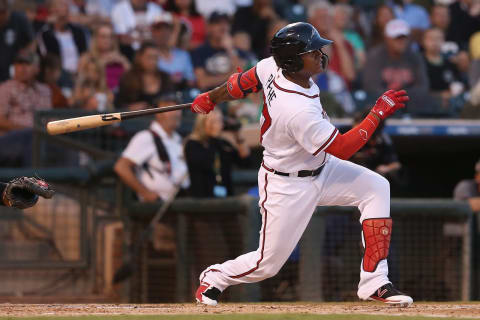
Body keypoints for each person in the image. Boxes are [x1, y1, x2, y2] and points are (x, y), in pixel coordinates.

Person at [190, 22, 412, 307]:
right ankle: (215, 277)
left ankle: (375, 282)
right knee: (266, 264)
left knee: (377, 186)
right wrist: (376, 114)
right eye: (312, 50)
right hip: (287, 183)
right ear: (294, 60)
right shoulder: (295, 109)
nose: (320, 53)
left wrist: (210, 98)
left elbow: (241, 83)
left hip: (321, 166)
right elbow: (343, 148)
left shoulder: (273, 66)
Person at [114, 94, 189, 202]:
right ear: (158, 114)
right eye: (170, 109)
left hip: (182, 198)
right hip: (159, 204)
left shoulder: (178, 139)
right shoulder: (146, 137)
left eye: (177, 108)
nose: (176, 113)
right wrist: (145, 193)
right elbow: (121, 167)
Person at [362, 19, 429, 115]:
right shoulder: (375, 56)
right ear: (387, 38)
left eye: (403, 38)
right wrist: (394, 98)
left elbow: (422, 87)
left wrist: (401, 96)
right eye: (397, 38)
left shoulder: (415, 57)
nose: (401, 42)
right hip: (382, 109)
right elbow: (371, 87)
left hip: (411, 106)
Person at [184, 110, 250, 198]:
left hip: (226, 197)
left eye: (220, 121)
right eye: (213, 121)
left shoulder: (222, 143)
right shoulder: (192, 144)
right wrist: (218, 136)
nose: (218, 125)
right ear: (202, 123)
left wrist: (238, 135)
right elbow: (206, 164)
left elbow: (245, 161)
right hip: (203, 199)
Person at [37, 0, 88, 89]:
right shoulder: (46, 34)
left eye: (65, 9)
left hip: (79, 72)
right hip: (58, 74)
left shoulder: (78, 31)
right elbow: (48, 58)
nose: (63, 16)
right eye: (59, 8)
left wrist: (79, 72)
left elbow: (84, 53)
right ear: (52, 12)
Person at [191, 12, 246, 91]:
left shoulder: (235, 51)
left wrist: (230, 49)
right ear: (209, 27)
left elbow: (243, 76)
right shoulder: (200, 52)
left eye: (226, 23)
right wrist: (230, 76)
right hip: (212, 96)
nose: (223, 27)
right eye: (217, 23)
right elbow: (202, 82)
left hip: (235, 97)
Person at [115, 41, 173, 110]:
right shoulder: (128, 78)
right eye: (149, 57)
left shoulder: (165, 78)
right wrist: (130, 107)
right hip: (134, 118)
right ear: (140, 57)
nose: (153, 62)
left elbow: (171, 101)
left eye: (155, 58)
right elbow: (118, 104)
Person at [78, 22, 130, 93]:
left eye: (110, 37)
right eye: (103, 37)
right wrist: (102, 63)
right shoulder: (86, 58)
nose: (107, 40)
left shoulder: (120, 57)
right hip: (97, 95)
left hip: (120, 95)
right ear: (96, 38)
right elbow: (82, 81)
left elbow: (132, 78)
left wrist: (123, 63)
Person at [151, 12, 195, 90]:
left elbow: (191, 80)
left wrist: (182, 80)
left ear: (172, 32)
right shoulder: (148, 55)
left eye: (166, 29)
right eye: (158, 29)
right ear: (153, 32)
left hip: (181, 95)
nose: (163, 33)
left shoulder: (183, 55)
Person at [0, 0, 35, 82]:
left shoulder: (19, 19)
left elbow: (32, 42)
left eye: (2, 12)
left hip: (14, 67)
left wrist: (23, 61)